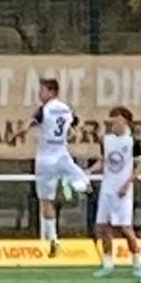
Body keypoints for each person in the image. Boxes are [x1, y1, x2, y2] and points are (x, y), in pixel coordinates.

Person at [31, 78, 93, 258]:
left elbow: (31, 123)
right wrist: (70, 132)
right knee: (79, 176)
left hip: (45, 157)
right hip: (62, 153)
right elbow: (74, 124)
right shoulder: (66, 108)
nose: (40, 94)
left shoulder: (44, 109)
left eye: (42, 90)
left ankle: (52, 238)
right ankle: (78, 186)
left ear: (51, 92)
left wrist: (17, 133)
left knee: (45, 200)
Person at [91, 107, 141, 280]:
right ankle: (108, 264)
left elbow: (140, 166)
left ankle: (138, 263)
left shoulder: (133, 141)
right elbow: (103, 162)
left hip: (123, 191)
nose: (112, 124)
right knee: (103, 227)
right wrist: (88, 171)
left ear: (124, 121)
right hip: (107, 189)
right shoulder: (106, 140)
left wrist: (127, 184)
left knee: (125, 228)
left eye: (115, 120)